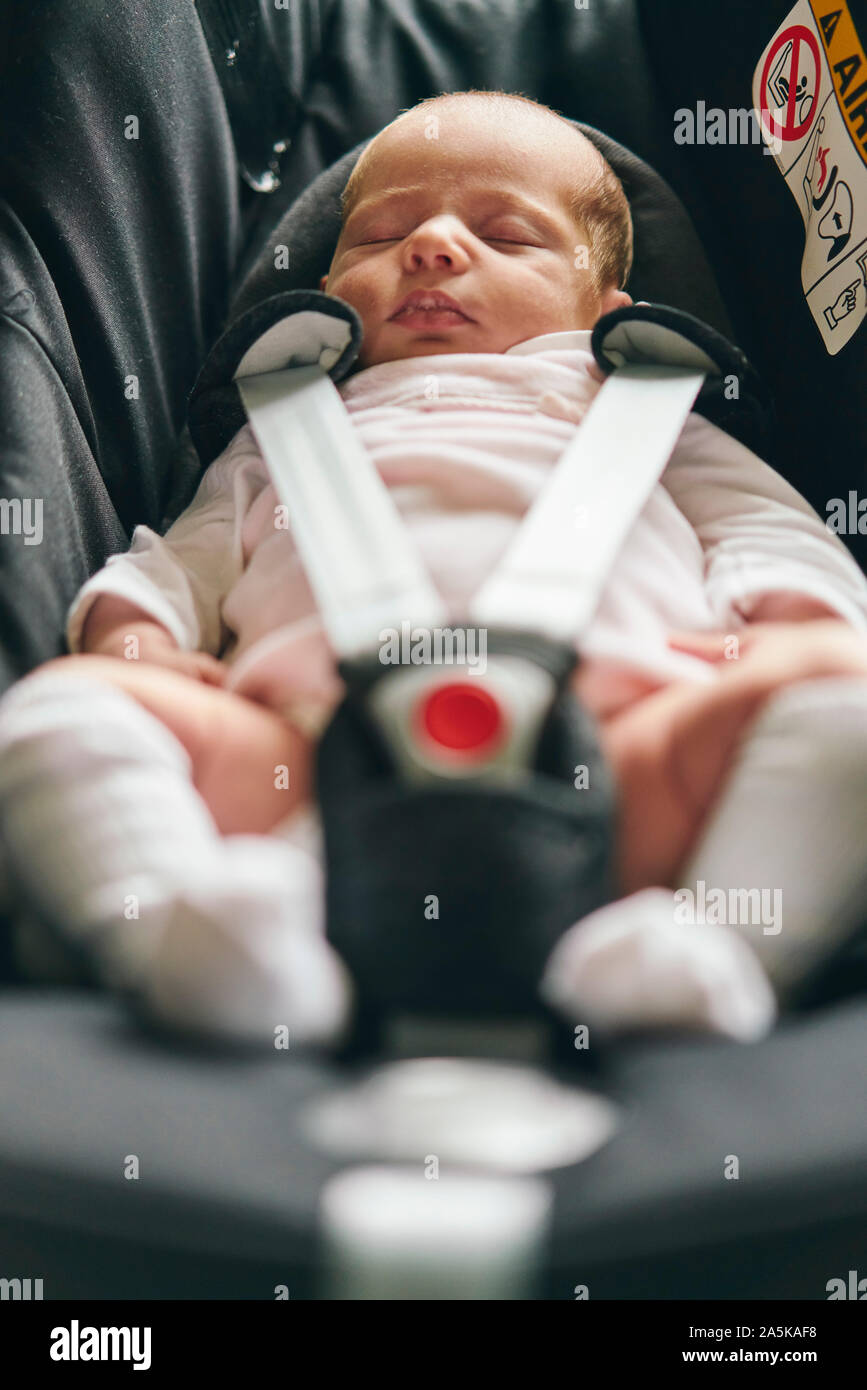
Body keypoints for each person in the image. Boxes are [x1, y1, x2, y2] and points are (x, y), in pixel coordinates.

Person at [2, 91, 867, 1047]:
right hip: (304, 776)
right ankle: (193, 940)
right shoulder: (282, 431)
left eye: (509, 235)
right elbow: (178, 564)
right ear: (327, 290)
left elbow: (768, 529)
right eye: (380, 234)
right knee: (67, 705)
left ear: (603, 311)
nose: (434, 246)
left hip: (623, 770)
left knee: (843, 691)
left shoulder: (652, 413)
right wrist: (136, 645)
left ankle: (716, 946)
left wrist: (788, 624)